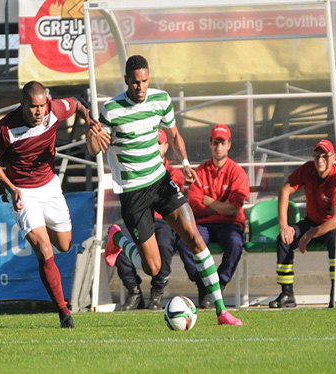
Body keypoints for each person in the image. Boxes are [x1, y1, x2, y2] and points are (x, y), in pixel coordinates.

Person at [87, 55, 242, 325]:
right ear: (126, 81)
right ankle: (118, 240)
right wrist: (92, 137)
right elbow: (94, 149)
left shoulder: (161, 100)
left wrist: (184, 163)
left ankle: (221, 311)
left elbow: (174, 135)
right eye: (135, 82)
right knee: (153, 268)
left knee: (195, 238)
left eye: (145, 81)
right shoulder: (111, 110)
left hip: (160, 182)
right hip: (133, 191)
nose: (141, 87)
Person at [0, 81, 99, 328]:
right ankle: (64, 313)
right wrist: (10, 188)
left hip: (49, 187)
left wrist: (88, 118)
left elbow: (78, 104)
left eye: (42, 106)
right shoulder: (6, 129)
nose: (39, 112)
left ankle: (40, 229)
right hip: (22, 192)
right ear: (22, 104)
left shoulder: (55, 110)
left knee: (65, 245)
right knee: (45, 251)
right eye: (33, 107)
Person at [115, 129, 200, 310]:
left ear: (166, 147)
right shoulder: (136, 169)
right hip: (141, 216)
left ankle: (158, 291)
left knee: (163, 243)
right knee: (125, 243)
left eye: (159, 143)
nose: (155, 147)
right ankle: (134, 291)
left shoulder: (173, 173)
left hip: (163, 220)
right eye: (152, 143)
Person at [176, 124, 250, 309]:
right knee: (185, 242)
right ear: (210, 144)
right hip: (203, 224)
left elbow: (233, 210)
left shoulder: (237, 172)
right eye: (215, 142)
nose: (219, 147)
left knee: (235, 243)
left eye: (222, 143)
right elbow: (193, 206)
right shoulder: (199, 172)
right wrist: (220, 207)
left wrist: (208, 201)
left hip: (229, 224)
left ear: (229, 145)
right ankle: (203, 283)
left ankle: (220, 283)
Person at [269, 139, 336, 309]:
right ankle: (287, 294)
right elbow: (284, 190)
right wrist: (284, 225)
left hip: (331, 226)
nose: (320, 160)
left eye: (324, 156)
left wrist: (309, 235)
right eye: (317, 156)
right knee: (283, 239)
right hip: (311, 222)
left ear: (333, 157)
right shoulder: (307, 168)